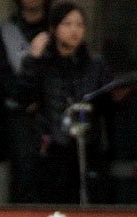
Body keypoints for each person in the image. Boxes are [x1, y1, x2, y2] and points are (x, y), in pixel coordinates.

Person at [17, 2, 115, 205]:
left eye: (79, 25)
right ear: (54, 29)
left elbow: (109, 105)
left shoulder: (95, 65)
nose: (74, 30)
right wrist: (33, 59)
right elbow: (23, 96)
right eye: (67, 24)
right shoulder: (42, 63)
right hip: (52, 148)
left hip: (88, 148)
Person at [0, 0, 50, 204]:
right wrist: (26, 101)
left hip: (54, 113)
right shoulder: (5, 34)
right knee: (24, 171)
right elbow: (2, 77)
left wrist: (44, 101)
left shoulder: (58, 29)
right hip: (19, 114)